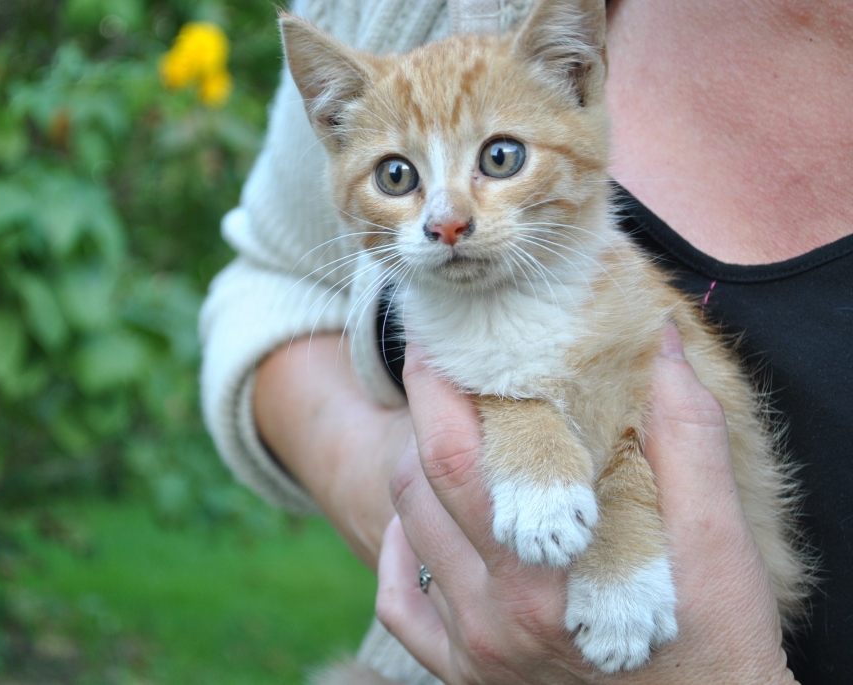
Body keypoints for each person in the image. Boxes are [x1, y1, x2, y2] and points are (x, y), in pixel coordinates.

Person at [199, 0, 853, 683]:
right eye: (399, 177)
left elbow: (632, 417)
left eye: (499, 157)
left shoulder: (616, 300)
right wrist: (397, 493)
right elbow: (282, 283)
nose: (447, 220)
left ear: (579, 78)